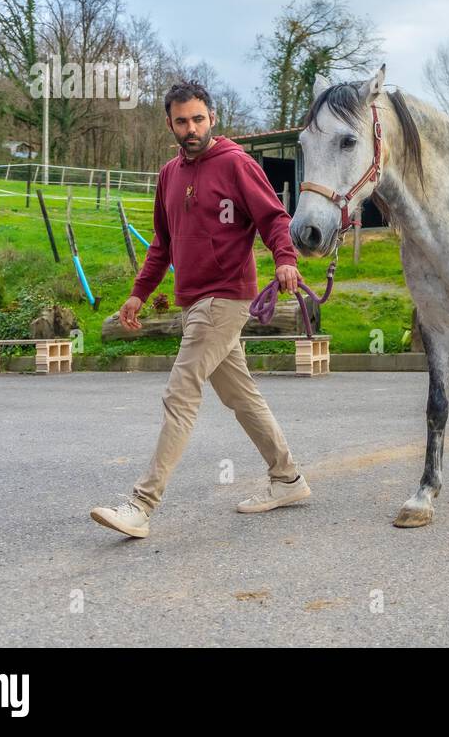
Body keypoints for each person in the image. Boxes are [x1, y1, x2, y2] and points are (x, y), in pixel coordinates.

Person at [90, 80, 310, 538]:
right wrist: (138, 293)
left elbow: (273, 218)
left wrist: (286, 260)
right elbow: (162, 244)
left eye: (198, 119)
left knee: (180, 391)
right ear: (169, 124)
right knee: (241, 397)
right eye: (181, 121)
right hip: (193, 300)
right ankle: (287, 479)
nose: (190, 128)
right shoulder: (169, 174)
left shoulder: (236, 164)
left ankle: (141, 505)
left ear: (213, 117)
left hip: (226, 296)